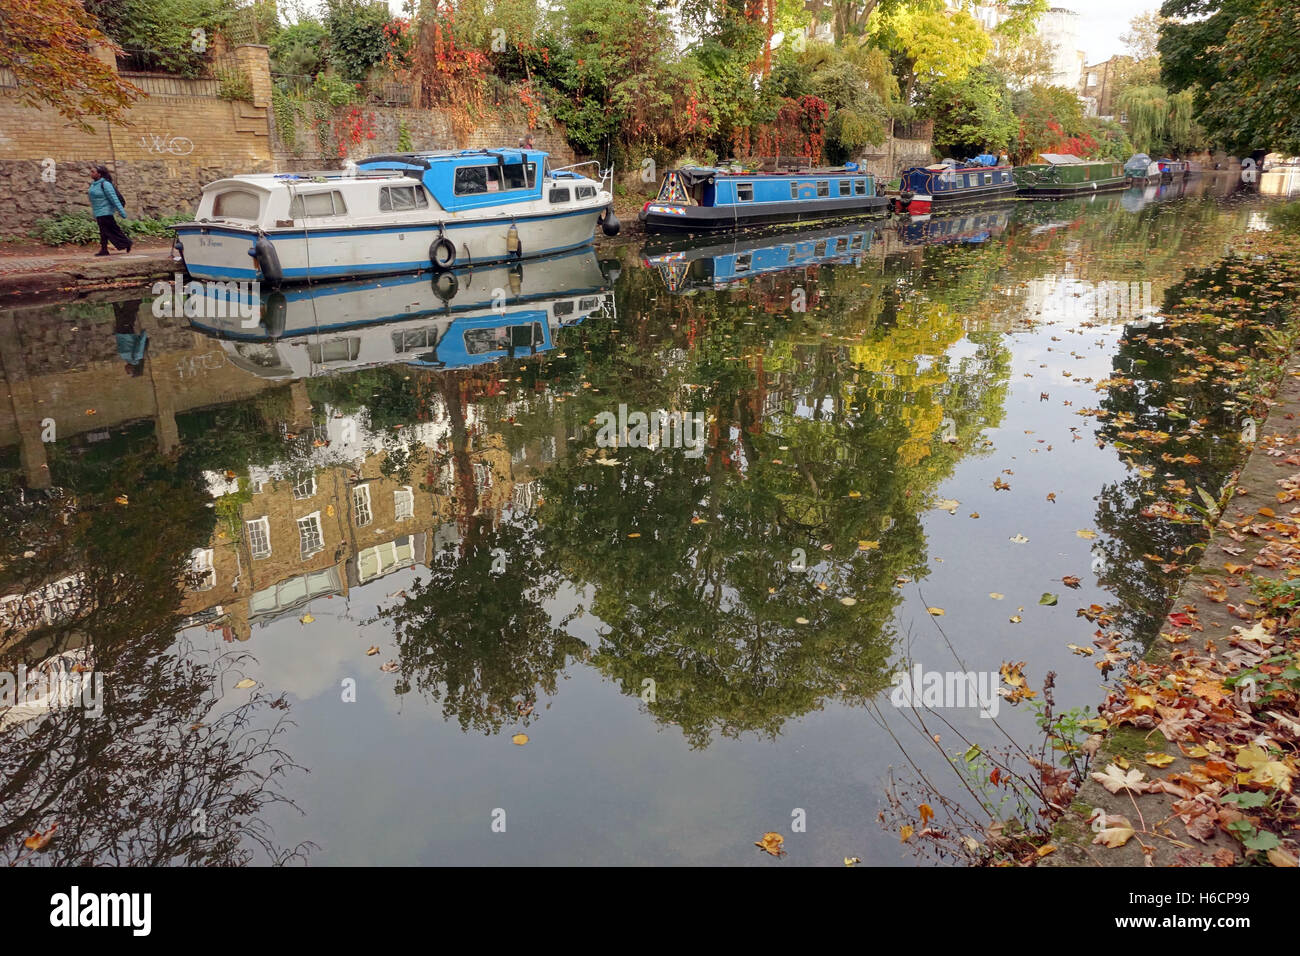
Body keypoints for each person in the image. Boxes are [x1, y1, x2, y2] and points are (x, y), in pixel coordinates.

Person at [89, 165, 131, 256]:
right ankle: (104, 250)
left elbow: (113, 198)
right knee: (104, 232)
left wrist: (122, 212)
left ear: (99, 174)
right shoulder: (94, 185)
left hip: (106, 212)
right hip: (99, 212)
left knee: (111, 231)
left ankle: (126, 243)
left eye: (93, 172)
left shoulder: (106, 184)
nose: (91, 173)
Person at [113, 300, 148, 377]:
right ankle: (135, 297)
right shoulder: (136, 357)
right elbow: (140, 344)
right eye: (129, 372)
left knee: (118, 311)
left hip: (120, 332)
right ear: (134, 369)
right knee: (128, 310)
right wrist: (144, 334)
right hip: (126, 331)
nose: (126, 371)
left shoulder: (128, 359)